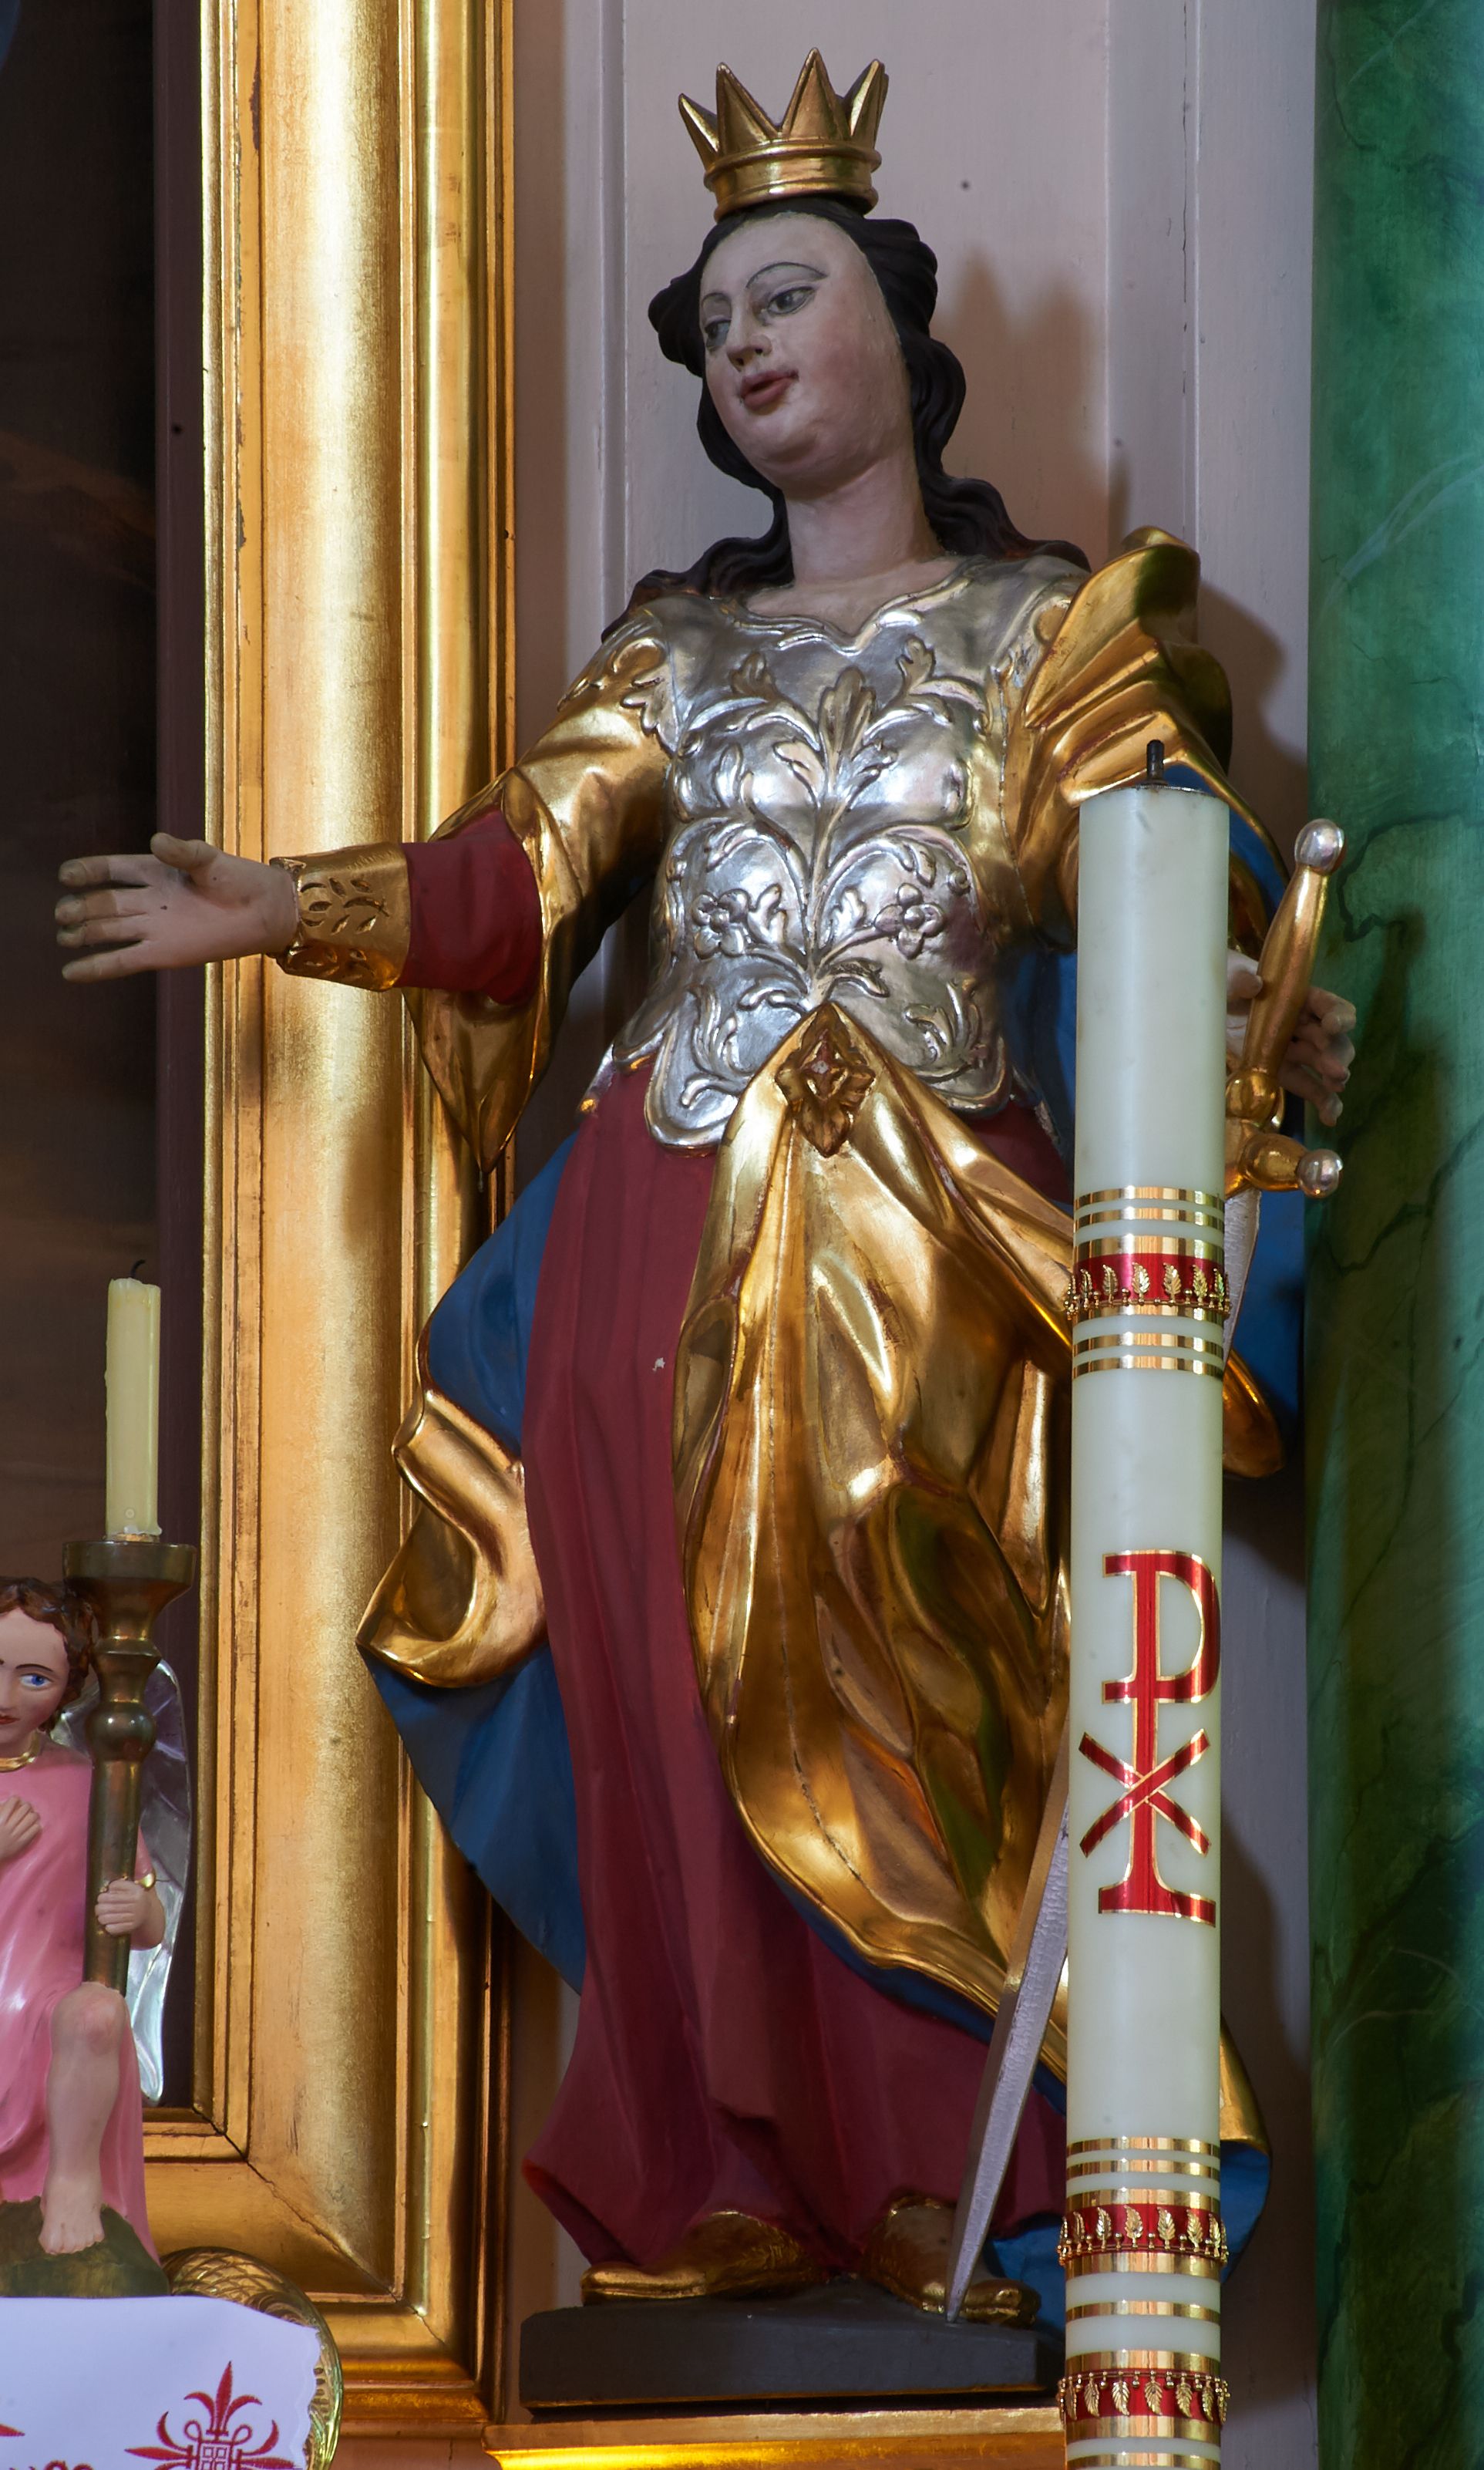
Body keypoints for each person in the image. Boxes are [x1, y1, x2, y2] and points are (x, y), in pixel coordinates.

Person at [52, 56, 1352, 2318]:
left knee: (929, 1681)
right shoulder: (673, 653)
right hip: (653, 1220)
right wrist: (286, 905)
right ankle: (722, 2175)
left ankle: (975, 2173)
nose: (745, 344)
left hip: (926, 1225)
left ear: (900, 336)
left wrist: (1237, 990)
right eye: (715, 323)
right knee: (654, 1691)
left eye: (786, 295)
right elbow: (514, 875)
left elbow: (1164, 894)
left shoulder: (1049, 635)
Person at [0, 1579, 163, 2258]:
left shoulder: (86, 1782)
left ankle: (71, 2182)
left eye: (34, 1677)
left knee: (97, 2014)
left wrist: (139, 1908)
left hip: (46, 1999)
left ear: (68, 1689)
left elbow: (148, 1923)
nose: (6, 1695)